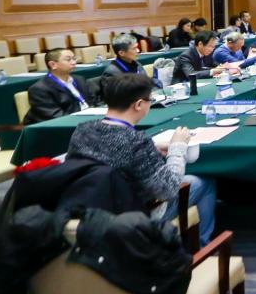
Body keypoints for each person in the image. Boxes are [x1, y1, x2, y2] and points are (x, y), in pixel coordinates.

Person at [66, 73, 217, 246]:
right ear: (138, 104)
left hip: (87, 209)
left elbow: (109, 153)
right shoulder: (136, 141)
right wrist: (178, 147)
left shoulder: (82, 130)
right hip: (132, 217)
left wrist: (152, 147)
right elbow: (168, 189)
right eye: (150, 100)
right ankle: (201, 247)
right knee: (204, 182)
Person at [23, 48, 100, 125]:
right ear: (53, 65)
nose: (74, 62)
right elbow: (55, 117)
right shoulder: (39, 89)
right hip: (62, 126)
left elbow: (94, 101)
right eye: (68, 60)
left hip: (89, 121)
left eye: (74, 59)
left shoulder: (80, 79)